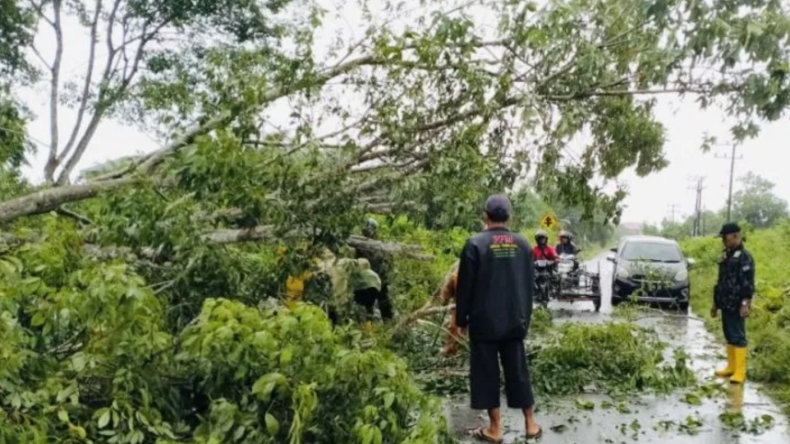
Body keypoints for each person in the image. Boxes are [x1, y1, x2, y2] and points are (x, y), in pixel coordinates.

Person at [456, 194, 542, 443]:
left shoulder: (475, 244)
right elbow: (528, 286)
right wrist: (526, 318)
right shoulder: (524, 244)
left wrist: (461, 321)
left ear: (485, 215)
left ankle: (495, 429)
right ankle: (531, 424)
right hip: (515, 321)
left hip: (484, 324)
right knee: (518, 372)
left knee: (486, 374)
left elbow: (465, 288)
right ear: (509, 217)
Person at [712, 222, 755, 385]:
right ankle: (731, 366)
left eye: (725, 238)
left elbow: (748, 283)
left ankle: (740, 371)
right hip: (725, 302)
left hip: (737, 303)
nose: (723, 241)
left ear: (735, 236)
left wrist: (745, 303)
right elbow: (720, 281)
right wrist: (715, 303)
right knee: (729, 334)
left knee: (738, 336)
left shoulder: (744, 257)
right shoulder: (726, 255)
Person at [353, 218, 395, 323]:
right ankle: (381, 322)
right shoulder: (359, 243)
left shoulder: (372, 245)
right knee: (374, 304)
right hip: (371, 279)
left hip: (374, 279)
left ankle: (386, 322)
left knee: (381, 303)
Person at [439, 260, 464, 356]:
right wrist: (445, 299)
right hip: (459, 303)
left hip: (476, 303)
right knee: (454, 327)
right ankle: (451, 349)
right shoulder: (457, 266)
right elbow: (447, 286)